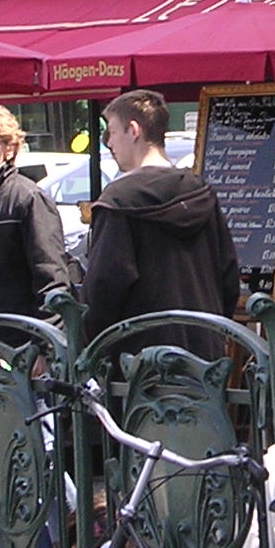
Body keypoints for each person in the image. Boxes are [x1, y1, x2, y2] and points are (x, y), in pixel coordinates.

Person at [81, 88, 240, 352]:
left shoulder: (118, 201)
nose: (108, 143)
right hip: (204, 354)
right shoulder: (202, 192)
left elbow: (103, 289)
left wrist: (90, 348)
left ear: (133, 130)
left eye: (111, 131)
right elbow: (228, 276)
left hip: (140, 364)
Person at [0, 106, 73, 319]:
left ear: (9, 149)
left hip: (17, 337)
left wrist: (43, 344)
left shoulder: (27, 197)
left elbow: (51, 277)